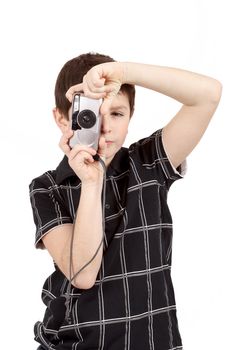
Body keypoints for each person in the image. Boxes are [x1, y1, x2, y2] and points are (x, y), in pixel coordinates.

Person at [29, 52, 222, 349]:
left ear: (131, 116)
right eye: (89, 114)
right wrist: (93, 182)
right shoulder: (48, 188)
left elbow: (208, 95)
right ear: (61, 117)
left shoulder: (147, 163)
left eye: (117, 113)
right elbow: (82, 275)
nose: (105, 127)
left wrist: (122, 71)